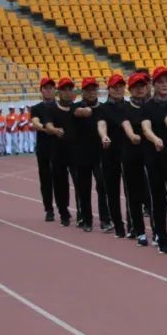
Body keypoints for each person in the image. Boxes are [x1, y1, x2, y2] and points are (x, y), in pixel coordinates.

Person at [141, 66, 167, 257]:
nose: (164, 85)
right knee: (158, 200)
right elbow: (146, 127)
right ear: (154, 84)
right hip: (155, 157)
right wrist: (155, 139)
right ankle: (162, 238)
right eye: (160, 82)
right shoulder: (148, 106)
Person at [65, 78, 109, 233]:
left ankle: (105, 219)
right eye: (88, 90)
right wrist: (87, 111)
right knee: (84, 188)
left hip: (100, 154)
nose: (91, 92)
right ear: (82, 91)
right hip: (81, 154)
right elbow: (79, 113)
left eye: (93, 90)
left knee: (102, 186)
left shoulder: (103, 108)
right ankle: (87, 219)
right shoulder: (76, 106)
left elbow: (103, 123)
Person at [119, 71, 152, 246]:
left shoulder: (152, 106)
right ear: (130, 89)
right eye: (137, 86)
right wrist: (132, 136)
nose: (140, 89)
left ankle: (157, 231)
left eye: (143, 85)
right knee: (134, 195)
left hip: (151, 155)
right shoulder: (125, 108)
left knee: (153, 194)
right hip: (131, 155)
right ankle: (139, 230)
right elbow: (126, 125)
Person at [96, 73, 128, 237]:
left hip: (129, 155)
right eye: (115, 87)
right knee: (112, 191)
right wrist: (104, 136)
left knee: (132, 192)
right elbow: (101, 124)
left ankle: (133, 225)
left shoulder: (129, 106)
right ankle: (118, 225)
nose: (118, 89)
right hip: (110, 154)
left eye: (121, 86)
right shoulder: (103, 108)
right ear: (109, 89)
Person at [45, 78, 78, 227]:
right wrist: (55, 130)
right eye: (64, 89)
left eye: (70, 89)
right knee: (60, 184)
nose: (67, 92)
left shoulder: (77, 108)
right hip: (58, 152)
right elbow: (48, 125)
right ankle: (63, 212)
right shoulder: (52, 109)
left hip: (75, 152)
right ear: (59, 92)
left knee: (80, 183)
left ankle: (82, 211)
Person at [29, 77, 59, 222]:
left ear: (55, 90)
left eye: (50, 87)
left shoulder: (60, 106)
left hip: (60, 147)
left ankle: (63, 207)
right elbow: (35, 122)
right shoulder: (37, 108)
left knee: (61, 178)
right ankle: (49, 209)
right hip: (44, 147)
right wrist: (45, 128)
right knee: (46, 179)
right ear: (41, 90)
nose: (48, 90)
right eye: (45, 88)